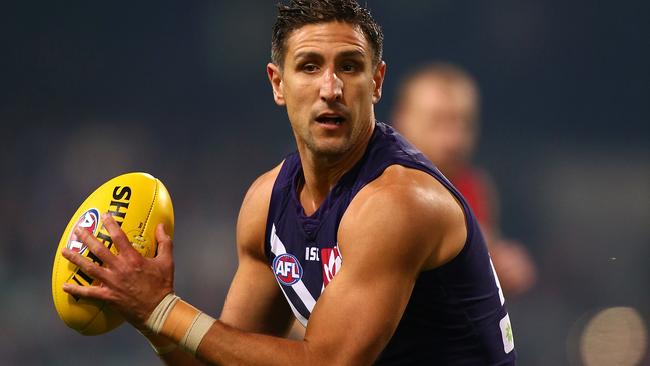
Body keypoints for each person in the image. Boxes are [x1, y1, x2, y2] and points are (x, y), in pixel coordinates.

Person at [61, 1, 516, 364]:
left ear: (377, 83)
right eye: (310, 66)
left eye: (351, 67)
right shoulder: (266, 204)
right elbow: (222, 356)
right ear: (278, 84)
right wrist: (146, 311)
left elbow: (329, 364)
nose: (331, 88)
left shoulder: (398, 202)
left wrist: (164, 309)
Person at [392, 62, 536, 297]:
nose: (454, 140)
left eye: (464, 123)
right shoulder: (377, 188)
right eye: (437, 122)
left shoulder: (474, 186)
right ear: (402, 119)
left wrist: (504, 267)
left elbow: (486, 254)